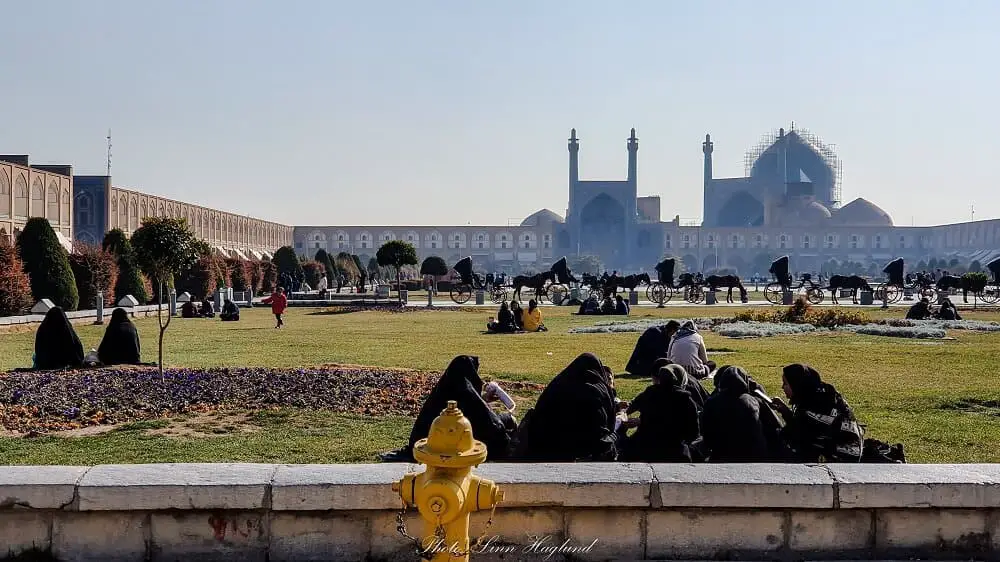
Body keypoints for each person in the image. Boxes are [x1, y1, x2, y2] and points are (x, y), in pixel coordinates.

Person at [401, 355, 515, 461]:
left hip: (425, 442)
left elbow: (469, 404)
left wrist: (483, 399)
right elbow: (486, 423)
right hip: (445, 445)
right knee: (506, 424)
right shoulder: (461, 396)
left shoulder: (445, 390)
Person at [514, 353, 618, 461]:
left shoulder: (558, 387)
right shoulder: (594, 392)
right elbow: (599, 437)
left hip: (542, 446)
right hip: (575, 451)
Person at [771, 364, 863, 463]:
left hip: (843, 457)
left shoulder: (820, 403)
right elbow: (801, 425)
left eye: (785, 384)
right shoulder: (815, 395)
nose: (782, 387)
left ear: (796, 384)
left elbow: (801, 433)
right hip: (841, 450)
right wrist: (784, 410)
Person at [619, 364, 700, 462]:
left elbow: (633, 406)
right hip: (674, 451)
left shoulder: (650, 393)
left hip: (642, 448)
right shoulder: (686, 400)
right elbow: (693, 433)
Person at [700, 366, 775, 462]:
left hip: (722, 455)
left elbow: (707, 437)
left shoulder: (712, 402)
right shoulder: (754, 401)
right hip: (754, 455)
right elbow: (773, 427)